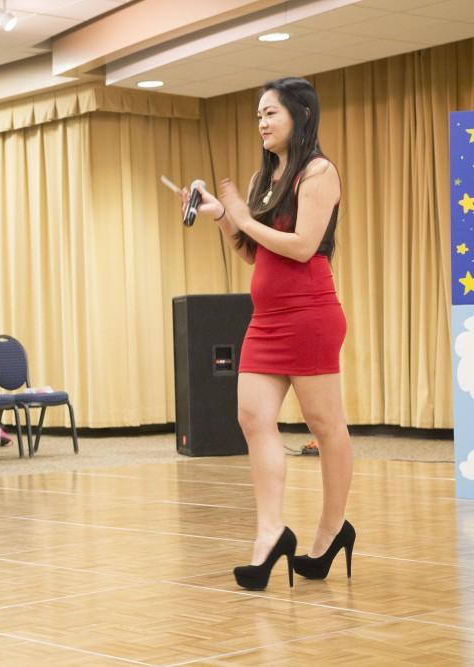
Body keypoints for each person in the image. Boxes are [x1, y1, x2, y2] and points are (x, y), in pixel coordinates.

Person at [182, 77, 352, 590]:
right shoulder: (267, 178)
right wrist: (222, 217)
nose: (261, 122)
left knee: (325, 426)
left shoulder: (319, 172)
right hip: (267, 318)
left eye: (270, 113)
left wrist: (240, 216)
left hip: (310, 313)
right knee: (252, 417)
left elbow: (302, 246)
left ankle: (332, 529)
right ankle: (269, 534)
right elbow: (254, 251)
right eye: (258, 115)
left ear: (299, 116)